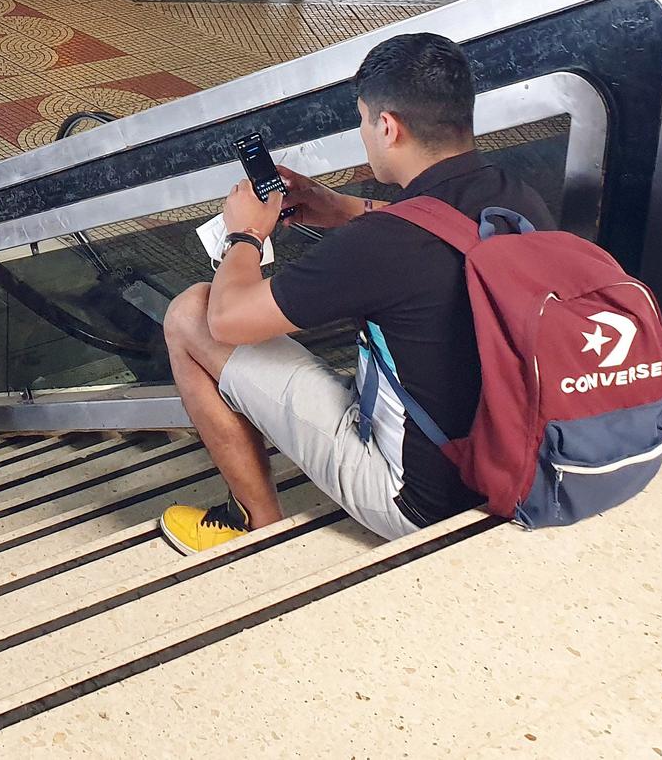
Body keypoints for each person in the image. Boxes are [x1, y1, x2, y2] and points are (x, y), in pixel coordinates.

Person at [158, 33, 553, 552]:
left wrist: (245, 234)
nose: (364, 133)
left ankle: (258, 530)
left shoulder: (383, 246)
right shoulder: (514, 197)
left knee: (190, 313)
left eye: (364, 120)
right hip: (516, 464)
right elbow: (439, 234)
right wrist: (333, 205)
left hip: (418, 502)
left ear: (387, 127)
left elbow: (228, 320)